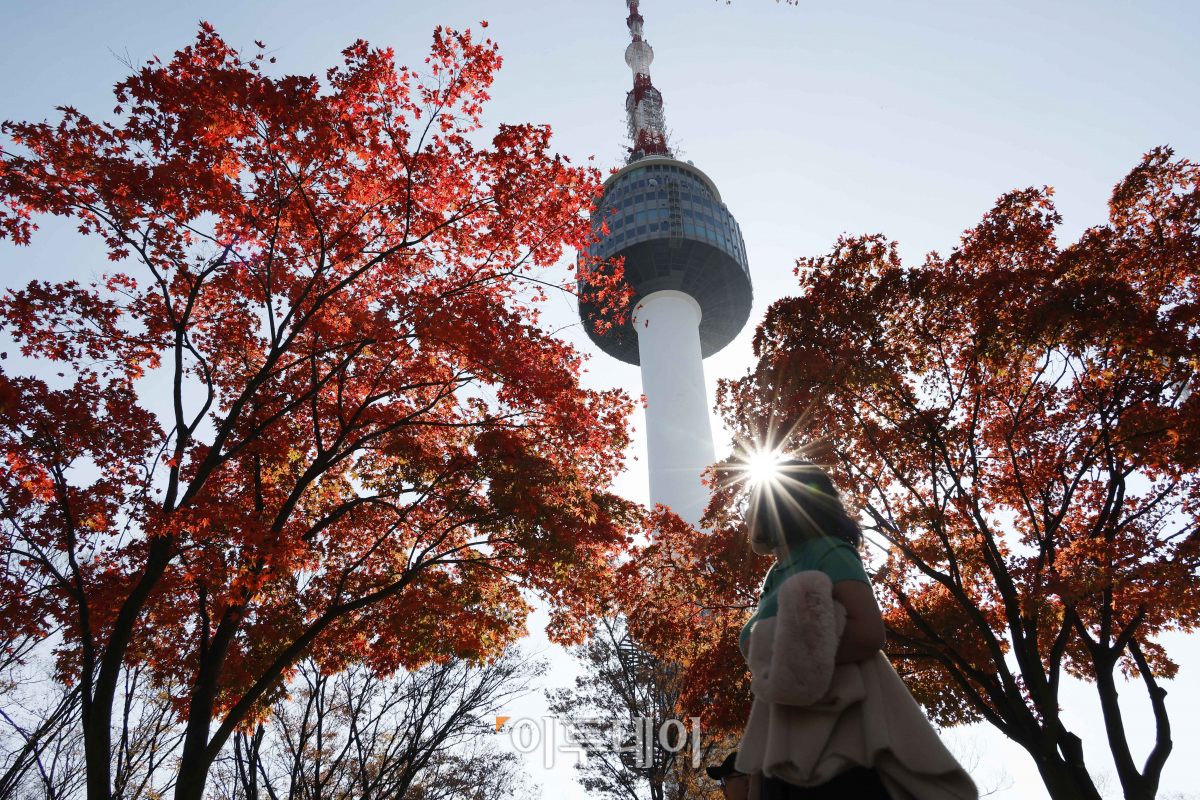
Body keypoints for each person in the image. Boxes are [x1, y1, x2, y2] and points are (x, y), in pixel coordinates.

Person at [734, 458, 977, 800]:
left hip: (840, 741)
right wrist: (758, 773)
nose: (746, 513)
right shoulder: (774, 576)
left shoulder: (827, 549)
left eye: (752, 502)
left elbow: (867, 632)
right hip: (784, 744)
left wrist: (796, 666)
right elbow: (771, 679)